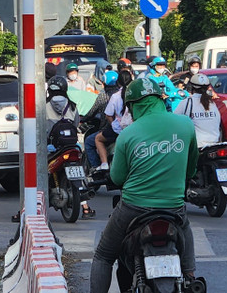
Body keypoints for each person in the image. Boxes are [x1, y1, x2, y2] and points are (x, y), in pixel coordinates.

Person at [90, 78, 198, 293]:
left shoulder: (128, 134)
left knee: (103, 255)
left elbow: (118, 178)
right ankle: (190, 278)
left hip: (134, 207)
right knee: (185, 227)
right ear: (160, 99)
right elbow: (191, 169)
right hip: (173, 207)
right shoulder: (185, 125)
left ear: (132, 106)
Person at [47, 85, 95, 219]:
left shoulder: (43, 106)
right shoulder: (72, 106)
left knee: (37, 172)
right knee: (79, 173)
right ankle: (85, 208)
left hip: (52, 148)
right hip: (71, 146)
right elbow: (76, 124)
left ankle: (29, 207)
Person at [94, 70, 135, 171]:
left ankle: (104, 164)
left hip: (118, 130)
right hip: (134, 129)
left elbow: (108, 115)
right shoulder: (135, 95)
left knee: (98, 139)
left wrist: (115, 125)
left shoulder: (115, 96)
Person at [175, 74, 222, 148]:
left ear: (191, 87)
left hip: (196, 146)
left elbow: (175, 121)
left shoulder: (187, 102)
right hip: (214, 143)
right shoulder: (212, 104)